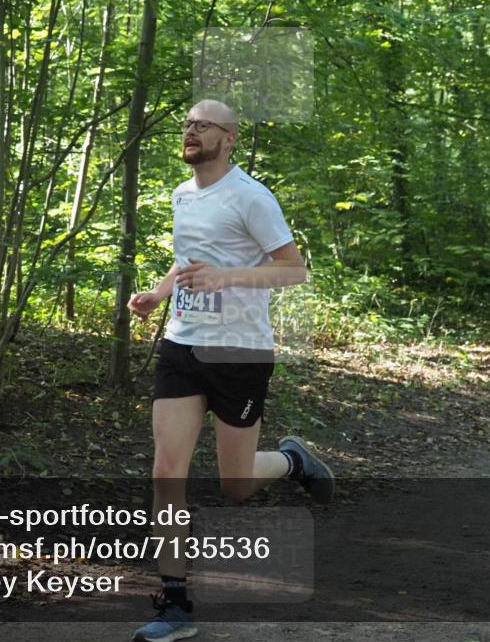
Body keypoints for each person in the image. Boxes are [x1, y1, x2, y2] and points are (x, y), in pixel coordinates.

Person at [126, 99, 334, 642]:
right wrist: (159, 292)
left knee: (235, 486)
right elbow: (188, 258)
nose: (190, 131)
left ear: (229, 137)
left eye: (202, 125)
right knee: (166, 472)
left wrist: (229, 278)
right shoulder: (181, 194)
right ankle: (174, 604)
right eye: (187, 124)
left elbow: (294, 270)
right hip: (183, 346)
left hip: (239, 354)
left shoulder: (251, 196)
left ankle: (291, 461)